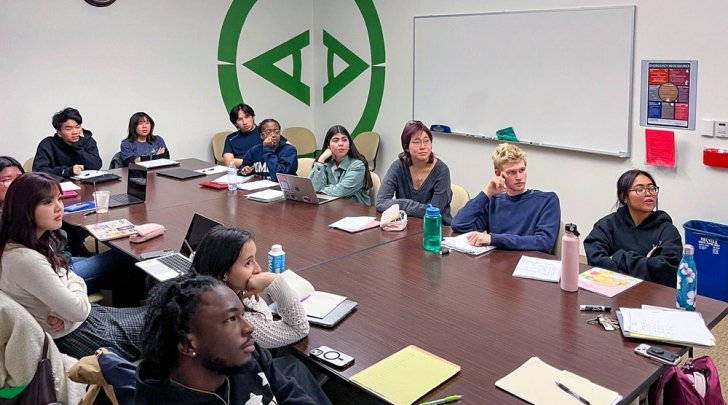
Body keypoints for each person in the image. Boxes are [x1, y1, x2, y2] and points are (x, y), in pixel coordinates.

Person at [0, 172, 145, 360]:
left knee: (162, 312)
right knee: (167, 318)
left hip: (78, 323)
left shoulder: (30, 240)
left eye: (59, 199)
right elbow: (78, 309)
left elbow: (67, 274)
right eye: (47, 202)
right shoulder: (24, 258)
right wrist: (72, 297)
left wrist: (68, 299)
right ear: (24, 209)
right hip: (81, 335)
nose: (59, 207)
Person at [135, 273, 319, 404]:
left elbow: (288, 393)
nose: (249, 327)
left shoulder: (246, 355)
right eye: (231, 319)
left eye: (242, 315)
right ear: (187, 344)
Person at [191, 226, 309, 349]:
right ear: (223, 273)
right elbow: (298, 328)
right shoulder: (241, 320)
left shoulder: (202, 291)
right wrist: (274, 281)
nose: (258, 269)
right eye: (248, 263)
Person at [450, 143, 560, 253]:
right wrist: (486, 193)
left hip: (528, 264)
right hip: (498, 263)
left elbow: (544, 242)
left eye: (522, 170)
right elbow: (459, 225)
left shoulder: (547, 200)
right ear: (498, 174)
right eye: (512, 172)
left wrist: (493, 239)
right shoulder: (494, 201)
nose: (519, 177)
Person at [584, 169, 682, 287]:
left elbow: (667, 270)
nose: (648, 193)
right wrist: (645, 265)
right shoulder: (608, 224)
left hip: (651, 294)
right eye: (639, 189)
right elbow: (596, 261)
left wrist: (619, 258)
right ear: (624, 197)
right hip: (610, 290)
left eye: (652, 188)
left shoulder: (667, 230)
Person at [376, 120, 453, 223]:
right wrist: (407, 205)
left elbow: (435, 210)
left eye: (426, 141)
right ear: (406, 147)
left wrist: (402, 206)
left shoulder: (441, 170)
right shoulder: (398, 167)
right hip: (406, 225)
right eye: (416, 142)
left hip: (437, 228)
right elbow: (381, 202)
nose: (423, 147)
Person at [309, 125, 372, 205]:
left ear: (349, 144)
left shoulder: (358, 165)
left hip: (355, 210)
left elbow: (340, 192)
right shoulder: (324, 163)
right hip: (332, 207)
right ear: (328, 146)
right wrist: (321, 160)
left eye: (344, 140)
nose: (341, 144)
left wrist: (320, 189)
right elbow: (313, 188)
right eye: (335, 140)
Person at [33, 107, 102, 178]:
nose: (75, 132)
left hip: (86, 184)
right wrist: (66, 171)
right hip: (59, 186)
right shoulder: (48, 144)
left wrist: (77, 146)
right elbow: (38, 171)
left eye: (78, 127)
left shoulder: (87, 141)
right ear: (59, 133)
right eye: (69, 129)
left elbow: (96, 165)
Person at [222, 103, 287, 168]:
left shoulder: (266, 132)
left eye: (247, 117)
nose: (245, 122)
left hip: (267, 171)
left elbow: (290, 150)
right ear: (235, 123)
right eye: (240, 119)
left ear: (253, 117)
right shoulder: (231, 138)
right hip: (243, 173)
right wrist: (255, 163)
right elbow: (228, 162)